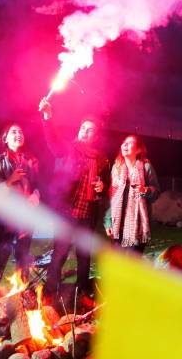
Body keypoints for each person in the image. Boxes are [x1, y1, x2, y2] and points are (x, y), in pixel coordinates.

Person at [38, 99, 110, 301]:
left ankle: (82, 291)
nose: (85, 132)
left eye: (90, 131)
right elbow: (53, 141)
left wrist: (102, 187)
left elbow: (105, 183)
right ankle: (51, 291)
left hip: (88, 214)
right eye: (83, 128)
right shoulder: (69, 149)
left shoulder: (101, 158)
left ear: (95, 137)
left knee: (84, 255)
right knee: (60, 253)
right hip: (66, 212)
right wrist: (47, 117)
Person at [0, 123, 40, 293]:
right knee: (2, 255)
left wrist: (36, 194)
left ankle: (22, 293)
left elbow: (37, 184)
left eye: (21, 131)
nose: (18, 134)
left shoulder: (31, 160)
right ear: (5, 139)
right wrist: (10, 181)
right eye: (14, 132)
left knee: (23, 255)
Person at [104, 135, 160, 254]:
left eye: (130, 143)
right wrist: (108, 221)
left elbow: (156, 192)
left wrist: (146, 190)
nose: (125, 144)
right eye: (124, 142)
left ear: (138, 150)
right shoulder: (116, 168)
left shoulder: (146, 167)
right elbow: (113, 198)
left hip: (138, 226)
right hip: (118, 225)